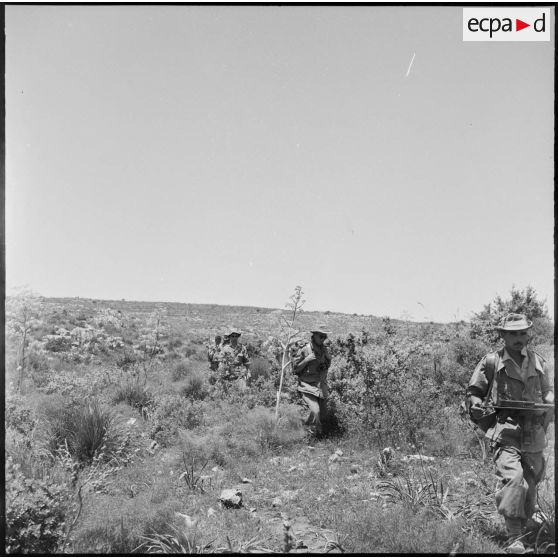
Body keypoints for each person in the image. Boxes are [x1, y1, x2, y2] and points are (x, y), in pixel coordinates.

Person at [466, 313, 554, 554]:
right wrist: (475, 403)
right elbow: (475, 391)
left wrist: (550, 401)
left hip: (534, 431)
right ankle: (514, 538)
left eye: (522, 333)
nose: (518, 338)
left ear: (529, 334)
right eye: (513, 333)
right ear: (502, 335)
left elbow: (548, 391)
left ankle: (524, 529)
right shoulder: (492, 361)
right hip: (506, 430)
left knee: (530, 482)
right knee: (514, 479)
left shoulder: (539, 361)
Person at [293, 327, 332, 438]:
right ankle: (308, 435)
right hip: (307, 386)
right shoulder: (305, 350)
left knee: (323, 415)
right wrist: (306, 360)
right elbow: (295, 369)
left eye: (325, 336)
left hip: (321, 387)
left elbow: (326, 366)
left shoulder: (324, 350)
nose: (323, 339)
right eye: (321, 336)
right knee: (315, 411)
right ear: (314, 336)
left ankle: (309, 429)